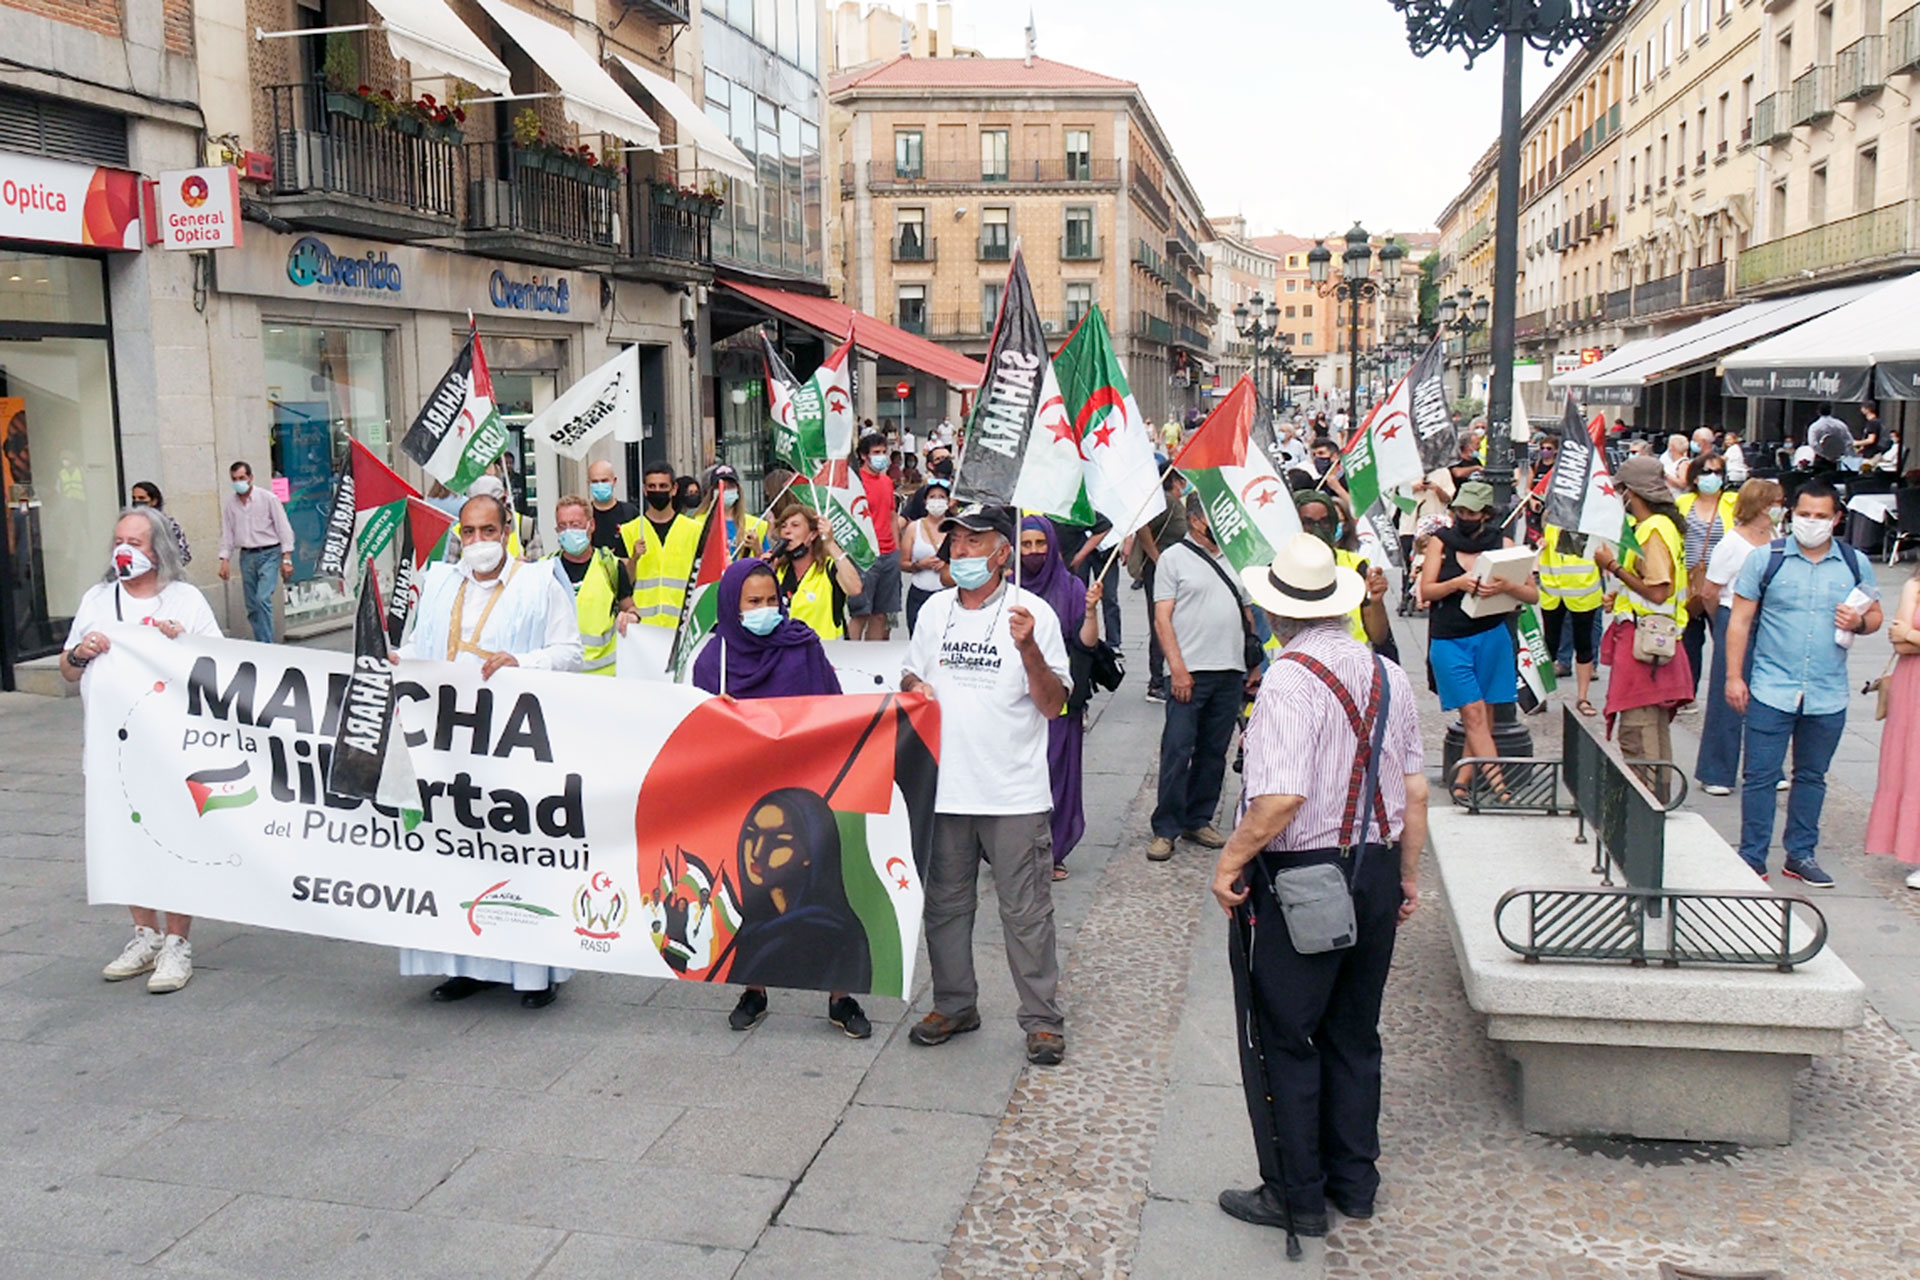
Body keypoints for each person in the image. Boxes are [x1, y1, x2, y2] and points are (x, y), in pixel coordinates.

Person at [1209, 533, 1427, 1238]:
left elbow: (1279, 801)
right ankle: (1354, 1182)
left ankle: (1296, 1195)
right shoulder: (1388, 672)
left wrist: (1227, 862)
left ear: (1278, 612)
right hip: (1378, 867)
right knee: (1355, 1034)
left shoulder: (1288, 680)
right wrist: (1408, 876)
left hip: (1306, 877)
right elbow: (1417, 791)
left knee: (1287, 1035)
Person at [902, 504, 1072, 1066]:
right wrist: (911, 683)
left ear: (1003, 553)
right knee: (946, 907)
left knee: (1026, 913)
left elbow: (1054, 705)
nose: (964, 552)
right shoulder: (932, 612)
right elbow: (912, 673)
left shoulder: (1034, 613)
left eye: (976, 542)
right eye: (957, 541)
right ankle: (955, 1003)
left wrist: (1028, 649)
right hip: (945, 790)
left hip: (1012, 793)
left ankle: (1042, 1020)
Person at [398, 493, 583, 1006]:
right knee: (458, 853)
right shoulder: (438, 583)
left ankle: (534, 972)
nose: (477, 542)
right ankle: (468, 964)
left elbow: (571, 652)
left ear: (507, 531)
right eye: (468, 533)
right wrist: (396, 658)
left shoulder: (539, 582)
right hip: (449, 743)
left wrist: (522, 663)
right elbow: (421, 647)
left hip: (516, 743)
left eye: (487, 531)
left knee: (518, 852)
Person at [691, 558, 873, 1038]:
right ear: (732, 605)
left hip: (806, 795)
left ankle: (841, 996)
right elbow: (696, 732)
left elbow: (833, 709)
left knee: (829, 892)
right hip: (746, 797)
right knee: (754, 892)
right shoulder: (714, 659)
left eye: (771, 599)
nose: (765, 609)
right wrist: (718, 715)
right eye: (753, 602)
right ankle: (754, 990)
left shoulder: (802, 645)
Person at [66, 506, 222, 994]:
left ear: (159, 549)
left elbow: (220, 666)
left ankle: (177, 942)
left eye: (135, 541)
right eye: (118, 540)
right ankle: (144, 934)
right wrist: (79, 653)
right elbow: (68, 671)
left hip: (169, 749)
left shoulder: (186, 600)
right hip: (112, 748)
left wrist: (184, 644)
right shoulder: (97, 599)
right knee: (124, 843)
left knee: (172, 841)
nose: (124, 550)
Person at [1724, 478, 1882, 886]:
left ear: (1837, 519)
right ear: (1791, 514)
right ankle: (1752, 856)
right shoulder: (1766, 559)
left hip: (1826, 693)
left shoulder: (1853, 563)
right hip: (1771, 687)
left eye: (1822, 516)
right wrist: (1734, 676)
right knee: (1760, 775)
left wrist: (1860, 622)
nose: (1812, 522)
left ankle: (1801, 854)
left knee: (1811, 776)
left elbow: (1875, 615)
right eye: (1805, 514)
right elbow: (1739, 622)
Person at [1148, 492, 1255, 861]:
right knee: (1178, 748)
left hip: (1230, 668)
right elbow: (1163, 617)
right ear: (1195, 520)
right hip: (1189, 670)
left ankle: (1199, 817)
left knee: (1214, 750)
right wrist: (1176, 667)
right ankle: (1166, 828)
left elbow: (1246, 611)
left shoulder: (1235, 558)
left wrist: (1252, 661)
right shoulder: (1173, 559)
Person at [1420, 480, 1536, 801]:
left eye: (1470, 511)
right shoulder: (1440, 542)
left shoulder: (1504, 542)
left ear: (1485, 514)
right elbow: (1426, 590)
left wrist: (1504, 587)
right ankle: (1500, 788)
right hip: (1449, 639)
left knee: (1485, 714)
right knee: (1471, 713)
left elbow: (1532, 594)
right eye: (1459, 510)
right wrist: (1457, 583)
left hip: (1492, 635)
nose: (1463, 516)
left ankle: (1463, 779)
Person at [1592, 456, 1694, 798]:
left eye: (1620, 489)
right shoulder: (1660, 527)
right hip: (1653, 637)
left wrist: (1614, 569)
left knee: (1639, 730)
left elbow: (1658, 588)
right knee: (1651, 728)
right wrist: (1620, 596)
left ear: (1631, 492)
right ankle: (1655, 796)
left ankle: (1647, 802)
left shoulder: (1653, 530)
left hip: (1646, 643)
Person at [1019, 516, 1103, 881]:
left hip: (1059, 698)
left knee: (1056, 771)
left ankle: (1053, 849)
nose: (1034, 552)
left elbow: (1086, 642)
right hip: (1013, 698)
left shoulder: (1069, 586)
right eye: (1026, 545)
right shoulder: (1007, 587)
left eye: (1040, 544)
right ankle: (1013, 849)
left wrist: (1090, 610)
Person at [1694, 479, 1784, 796]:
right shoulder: (1731, 543)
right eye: (1776, 502)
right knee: (1728, 693)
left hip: (1770, 618)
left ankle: (1765, 765)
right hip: (1735, 612)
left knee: (1769, 693)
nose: (1780, 509)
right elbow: (1710, 590)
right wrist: (1723, 624)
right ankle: (1716, 770)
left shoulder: (1776, 537)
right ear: (1761, 505)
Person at [1866, 560, 1920, 889]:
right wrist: (1909, 639)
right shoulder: (1913, 586)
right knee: (1910, 766)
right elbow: (1898, 644)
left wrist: (1912, 634)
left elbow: (1905, 636)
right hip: (1911, 685)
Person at [547, 495, 638, 675]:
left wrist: (631, 617)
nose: (568, 532)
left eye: (575, 525)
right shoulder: (545, 569)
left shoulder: (610, 566)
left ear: (591, 525)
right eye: (562, 526)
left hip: (603, 677)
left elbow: (630, 608)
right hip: (559, 677)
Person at [1294, 491, 1390, 649]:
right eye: (1308, 522)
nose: (1317, 529)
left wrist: (1376, 603)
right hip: (1294, 665)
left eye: (1325, 522)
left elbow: (1378, 636)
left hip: (1350, 661)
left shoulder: (1355, 565)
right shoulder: (1277, 567)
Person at [1676, 454, 1736, 705]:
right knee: (1689, 641)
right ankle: (1687, 694)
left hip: (1722, 584)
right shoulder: (1683, 502)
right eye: (1707, 471)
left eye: (1718, 472)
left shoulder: (1733, 502)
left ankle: (1726, 692)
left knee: (1724, 640)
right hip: (1688, 582)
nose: (1712, 477)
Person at [216, 460, 293, 644]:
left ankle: (266, 645)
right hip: (247, 556)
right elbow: (228, 532)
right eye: (234, 479)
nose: (238, 482)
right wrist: (224, 559)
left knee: (262, 598)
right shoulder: (231, 505)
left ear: (250, 478)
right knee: (251, 605)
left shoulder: (268, 499)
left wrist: (287, 558)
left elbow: (283, 527)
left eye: (242, 478)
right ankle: (261, 640)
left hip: (269, 553)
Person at [1131, 471, 1190, 702]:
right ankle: (1156, 682)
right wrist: (1157, 558)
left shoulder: (1175, 502)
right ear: (1175, 481)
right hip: (1159, 570)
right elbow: (1142, 526)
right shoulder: (1165, 501)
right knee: (1160, 620)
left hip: (1172, 569)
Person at [621, 463, 701, 629]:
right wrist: (634, 558)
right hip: (643, 628)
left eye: (663, 486)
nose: (657, 491)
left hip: (682, 626)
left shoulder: (694, 530)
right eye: (652, 486)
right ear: (644, 490)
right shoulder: (629, 531)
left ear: (674, 489)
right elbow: (623, 584)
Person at [1536, 524, 1604, 716]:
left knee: (1584, 643)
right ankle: (1541, 694)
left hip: (1582, 588)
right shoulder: (1552, 517)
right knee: (1549, 643)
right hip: (1553, 588)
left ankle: (1583, 698)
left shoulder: (1591, 519)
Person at [771, 506, 864, 640]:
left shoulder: (829, 567)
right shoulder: (778, 570)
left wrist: (830, 543)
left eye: (795, 525)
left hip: (826, 650)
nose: (787, 531)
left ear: (813, 534)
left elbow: (855, 588)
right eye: (784, 526)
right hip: (788, 650)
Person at [848, 431, 901, 640]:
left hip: (889, 554)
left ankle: (873, 661)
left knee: (881, 614)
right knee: (860, 612)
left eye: (883, 452)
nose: (882, 456)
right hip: (865, 555)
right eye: (876, 452)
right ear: (863, 455)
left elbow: (891, 515)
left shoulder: (887, 481)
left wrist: (896, 549)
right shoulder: (854, 482)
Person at [900, 478, 951, 632]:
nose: (937, 501)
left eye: (941, 497)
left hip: (947, 593)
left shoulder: (955, 528)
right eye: (932, 497)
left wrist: (947, 566)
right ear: (925, 501)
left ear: (949, 502)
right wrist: (919, 565)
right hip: (919, 594)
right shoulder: (914, 528)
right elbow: (903, 563)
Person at [129, 481, 191, 566]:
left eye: (141, 498)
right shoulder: (129, 524)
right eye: (134, 498)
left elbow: (184, 555)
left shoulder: (168, 524)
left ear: (154, 501)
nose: (137, 501)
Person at [586, 458, 637, 552]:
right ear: (589, 483)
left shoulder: (630, 512)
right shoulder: (584, 514)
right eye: (595, 482)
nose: (600, 485)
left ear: (614, 481)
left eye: (604, 481)